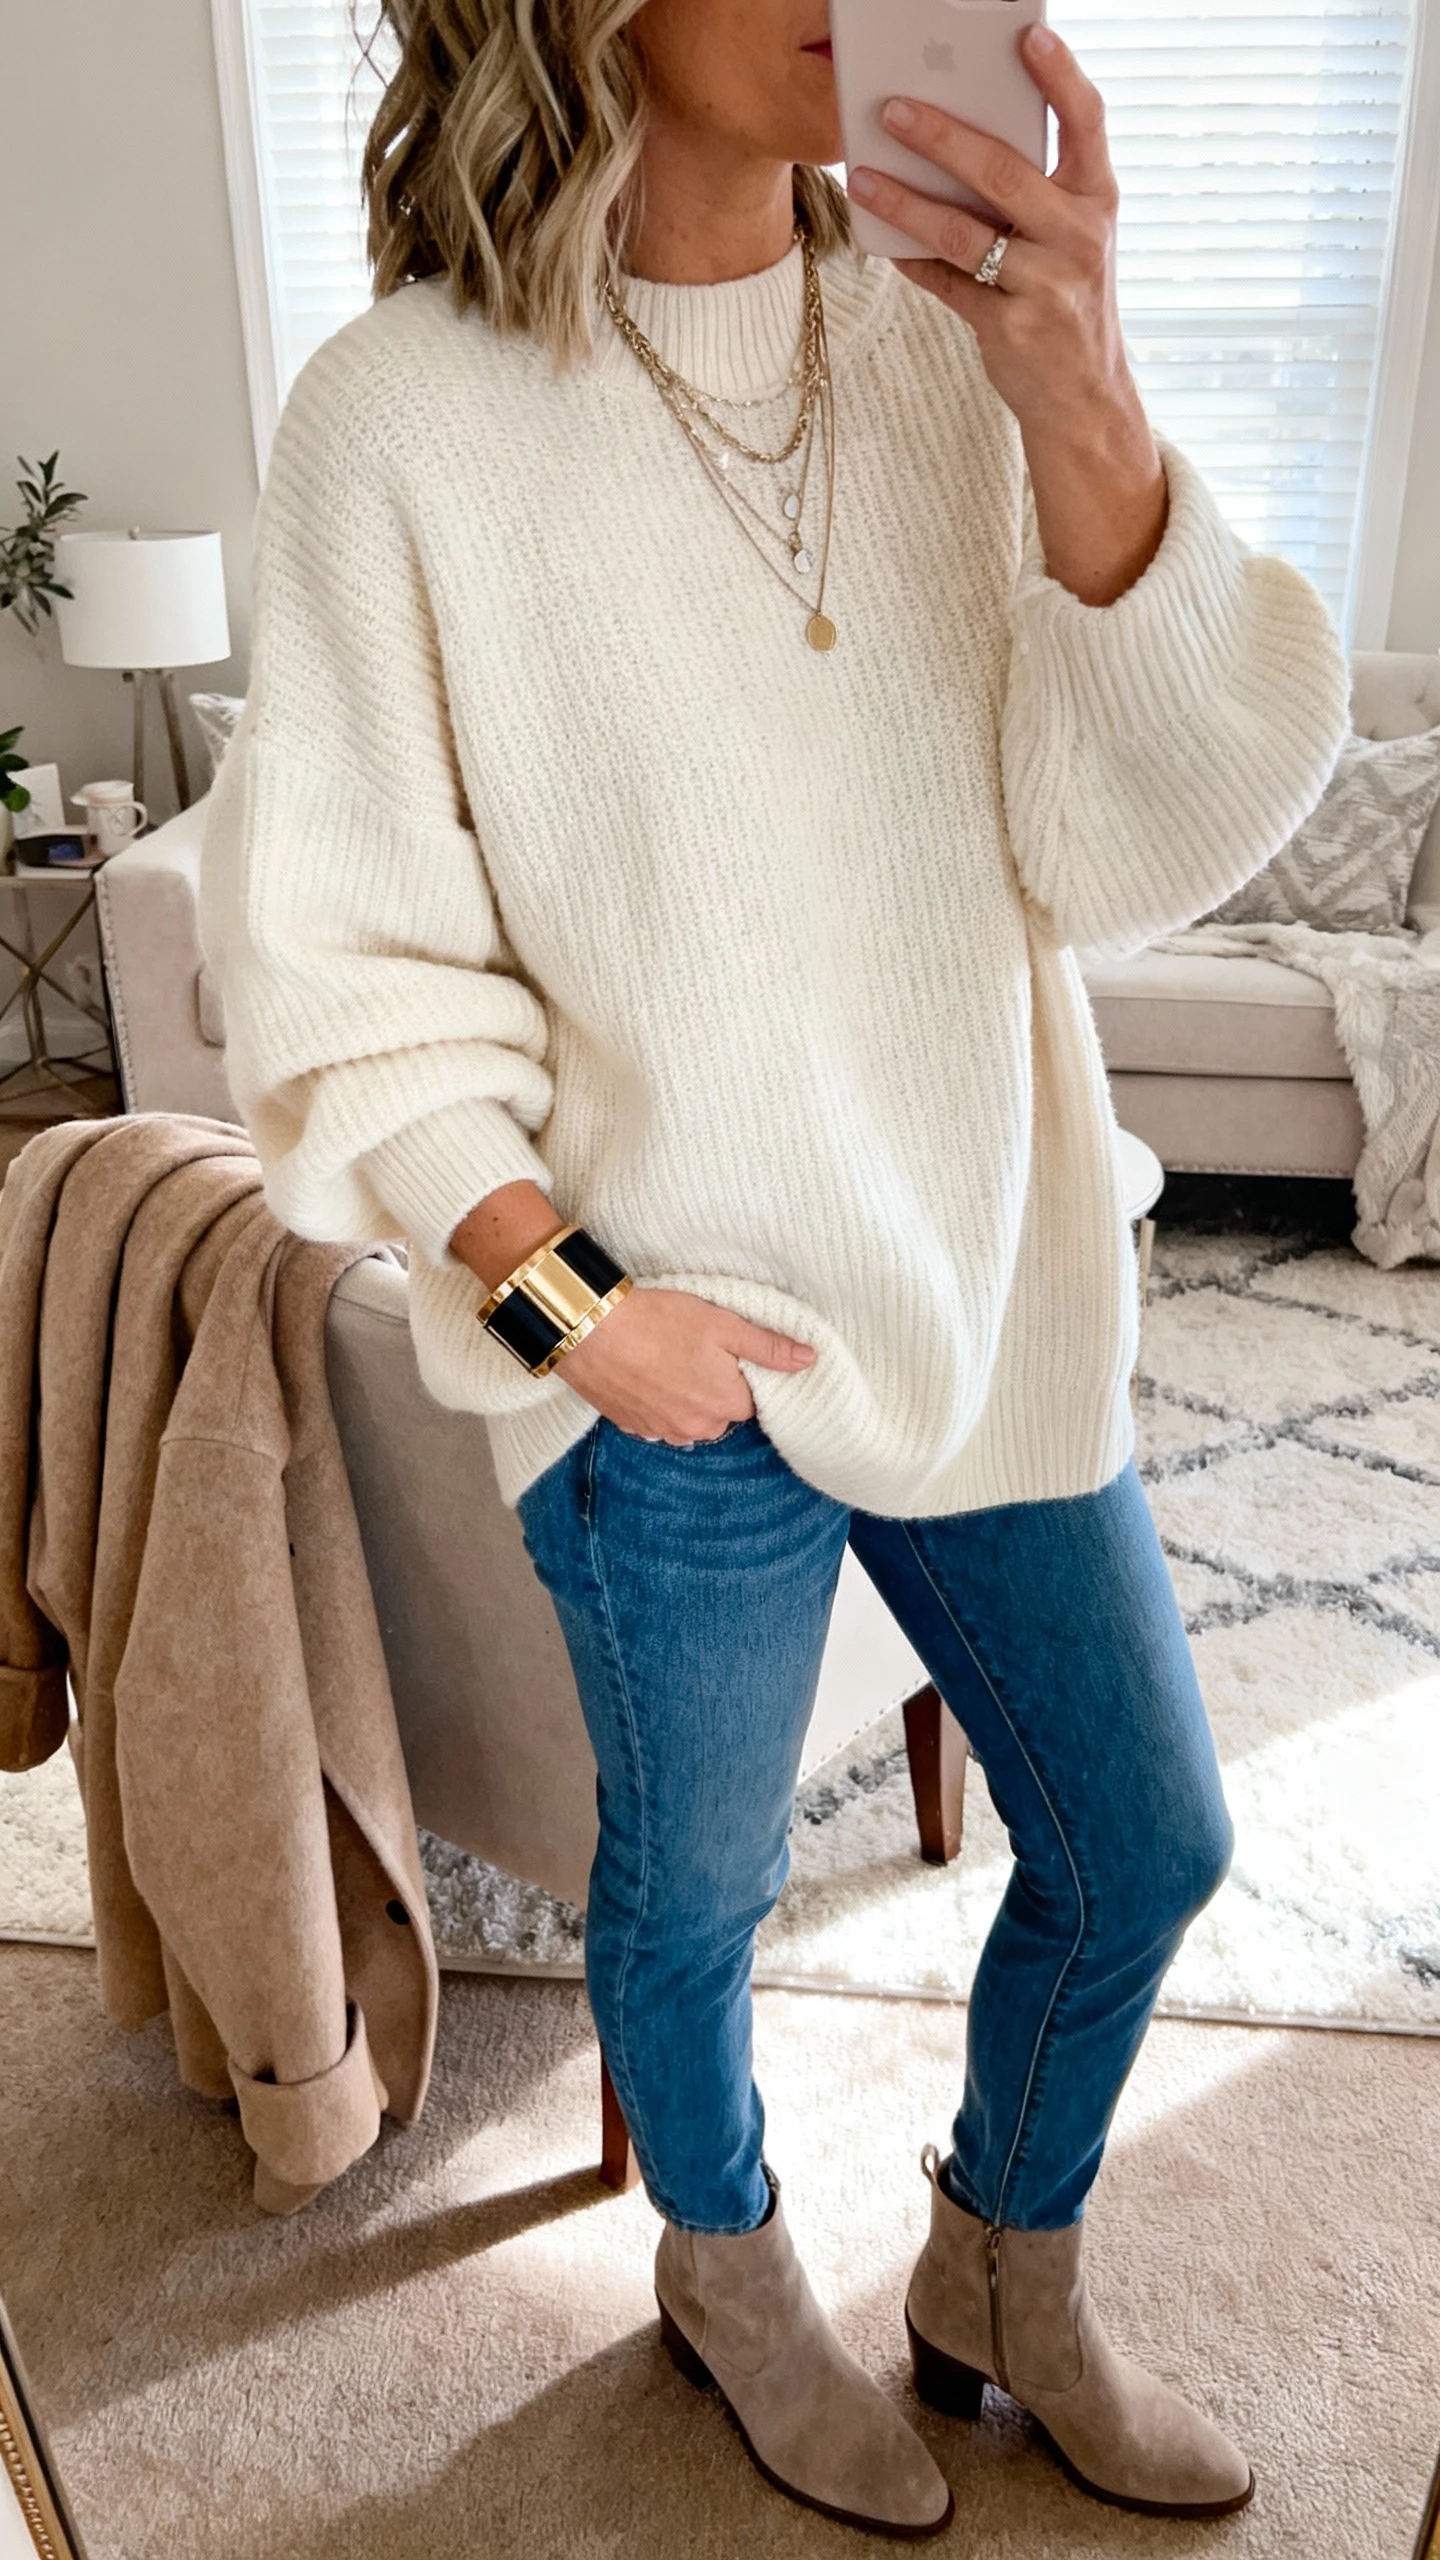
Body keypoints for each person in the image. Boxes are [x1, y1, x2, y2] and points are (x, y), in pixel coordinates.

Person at [202, 0, 1347, 2535]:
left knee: (1144, 1838)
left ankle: (1003, 2265)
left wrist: (1086, 398)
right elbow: (340, 967)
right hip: (662, 1357)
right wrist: (572, 1313)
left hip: (987, 1285)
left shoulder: (950, 350)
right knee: (693, 1897)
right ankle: (724, 2273)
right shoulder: (400, 417)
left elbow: (1132, 831)